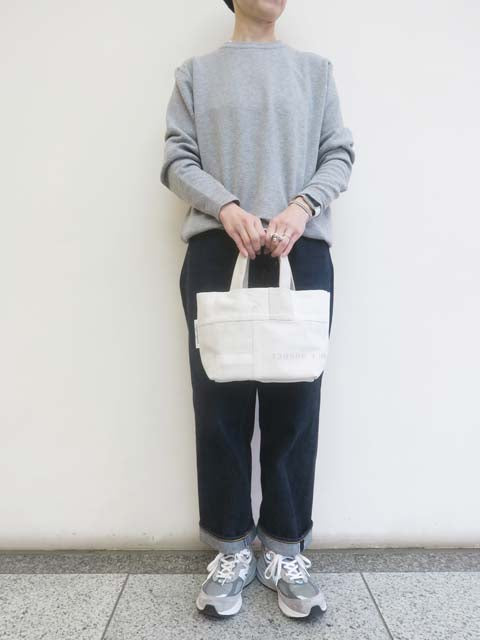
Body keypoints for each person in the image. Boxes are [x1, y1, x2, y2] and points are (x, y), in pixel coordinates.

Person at [160, 0, 355, 621]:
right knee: (219, 405)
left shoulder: (315, 72)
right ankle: (230, 548)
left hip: (301, 250)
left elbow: (339, 154)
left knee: (296, 403)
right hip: (220, 250)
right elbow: (177, 159)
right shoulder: (196, 73)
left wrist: (302, 205)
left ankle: (285, 549)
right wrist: (225, 206)